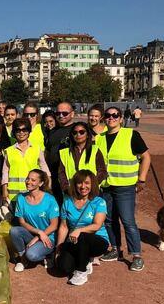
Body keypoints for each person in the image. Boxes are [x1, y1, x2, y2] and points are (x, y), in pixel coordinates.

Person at [96, 107, 150, 271]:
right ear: (104, 119)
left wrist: (142, 178)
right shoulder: (100, 138)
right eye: (108, 115)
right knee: (109, 220)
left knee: (127, 221)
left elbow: (146, 156)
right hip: (106, 186)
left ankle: (136, 255)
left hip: (125, 186)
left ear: (121, 119)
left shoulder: (130, 135)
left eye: (115, 115)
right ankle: (115, 249)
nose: (111, 118)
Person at [56, 170, 110, 286]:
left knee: (83, 237)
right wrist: (59, 247)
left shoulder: (99, 202)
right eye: (79, 183)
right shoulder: (67, 201)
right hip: (75, 240)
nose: (83, 186)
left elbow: (97, 225)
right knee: (64, 267)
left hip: (97, 241)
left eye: (87, 183)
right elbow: (64, 226)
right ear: (75, 185)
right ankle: (85, 260)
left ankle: (81, 272)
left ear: (92, 185)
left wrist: (79, 230)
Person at [10, 170, 60, 272]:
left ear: (40, 183)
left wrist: (39, 236)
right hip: (33, 234)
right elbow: (22, 222)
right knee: (14, 231)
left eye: (33, 180)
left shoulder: (50, 199)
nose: (28, 182)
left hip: (48, 237)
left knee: (32, 255)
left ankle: (48, 255)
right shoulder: (21, 198)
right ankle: (23, 258)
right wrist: (38, 233)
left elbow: (54, 225)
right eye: (28, 178)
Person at [2, 118, 50, 206]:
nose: (21, 133)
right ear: (14, 132)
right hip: (13, 194)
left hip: (32, 192)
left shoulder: (36, 149)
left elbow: (44, 168)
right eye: (18, 130)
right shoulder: (8, 151)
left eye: (24, 130)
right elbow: (5, 172)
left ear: (29, 131)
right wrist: (4, 191)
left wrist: (48, 186)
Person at [58, 123, 107, 193]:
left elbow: (102, 171)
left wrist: (92, 186)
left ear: (87, 135)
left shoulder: (95, 150)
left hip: (91, 193)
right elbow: (61, 173)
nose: (78, 135)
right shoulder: (64, 152)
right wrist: (67, 189)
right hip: (71, 193)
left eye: (82, 132)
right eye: (75, 133)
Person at [45, 101, 76, 204]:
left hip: (69, 177)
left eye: (65, 113)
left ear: (72, 114)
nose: (61, 116)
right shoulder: (53, 131)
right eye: (58, 113)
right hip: (53, 177)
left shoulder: (77, 130)